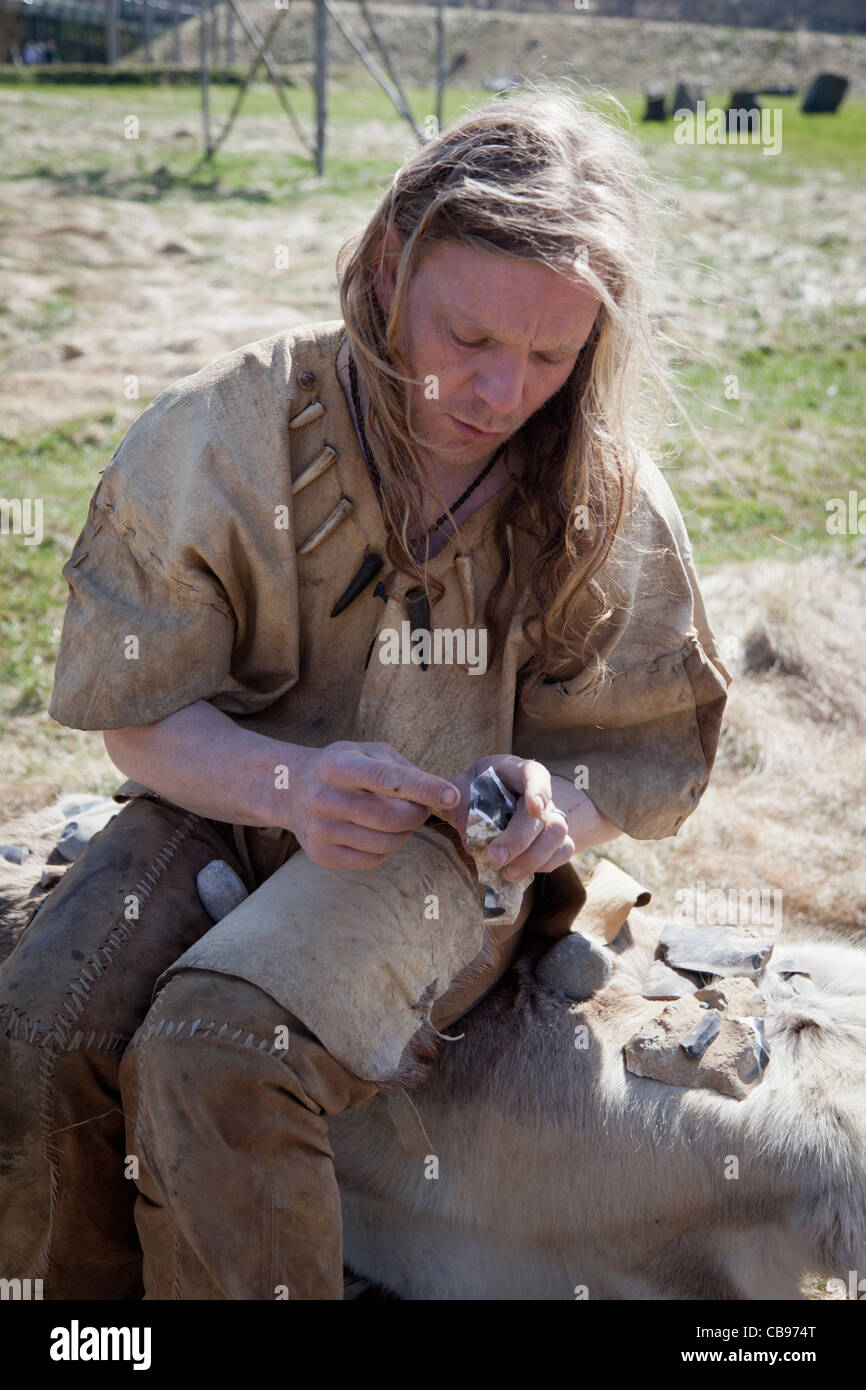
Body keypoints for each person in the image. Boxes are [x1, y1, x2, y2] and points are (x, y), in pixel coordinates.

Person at [0, 85, 730, 1300]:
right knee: (41, 1032)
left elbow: (636, 754)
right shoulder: (224, 436)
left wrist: (554, 806)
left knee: (217, 1053)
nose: (501, 394)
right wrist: (284, 782)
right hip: (222, 797)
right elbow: (140, 713)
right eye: (469, 339)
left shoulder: (602, 497)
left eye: (552, 354)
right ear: (391, 265)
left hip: (446, 858)